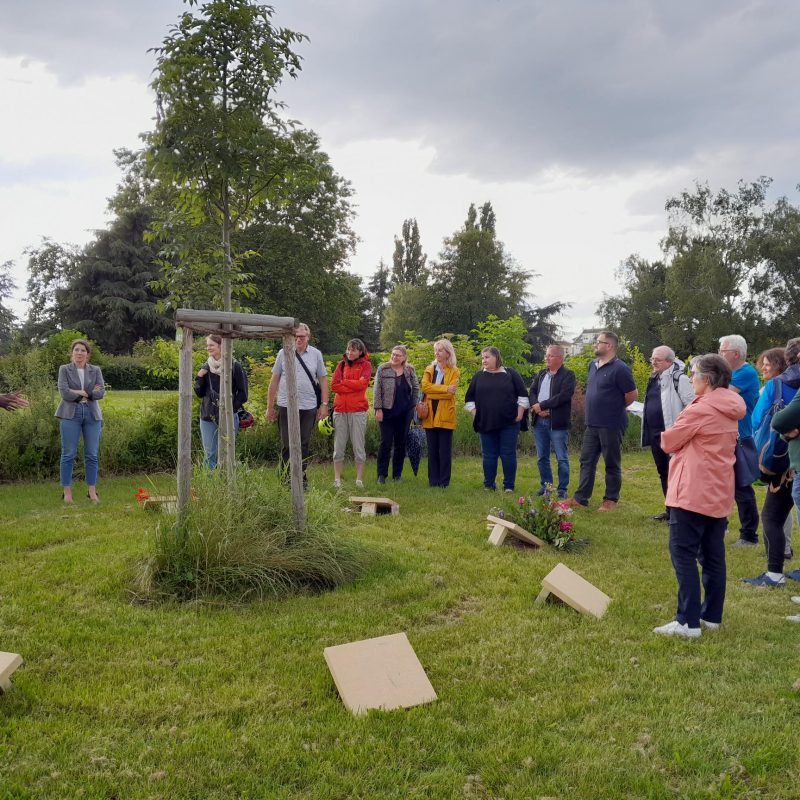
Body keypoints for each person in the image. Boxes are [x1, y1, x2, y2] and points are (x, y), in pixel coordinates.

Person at [653, 354, 745, 638]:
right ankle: (711, 616)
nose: (691, 379)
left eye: (693, 374)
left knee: (683, 553)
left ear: (706, 379)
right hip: (718, 489)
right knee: (713, 554)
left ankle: (687, 622)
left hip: (692, 490)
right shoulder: (732, 406)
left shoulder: (701, 409)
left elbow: (670, 440)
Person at [742, 341, 800, 585]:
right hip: (793, 460)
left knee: (772, 516)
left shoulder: (776, 386)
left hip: (780, 460)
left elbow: (759, 421)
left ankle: (774, 573)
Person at [566, 331, 638, 512]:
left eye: (599, 342)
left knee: (611, 462)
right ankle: (581, 498)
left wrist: (614, 408)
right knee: (586, 461)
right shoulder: (593, 365)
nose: (595, 345)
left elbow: (632, 394)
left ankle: (610, 499)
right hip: (593, 423)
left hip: (611, 423)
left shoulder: (620, 368)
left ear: (610, 346)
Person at [267, 323, 329, 489]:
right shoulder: (283, 352)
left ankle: (301, 479)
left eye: (302, 336)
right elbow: (274, 380)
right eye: (296, 336)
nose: (298, 339)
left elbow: (323, 380)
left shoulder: (316, 354)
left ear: (308, 337)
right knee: (287, 444)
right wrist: (269, 407)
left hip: (308, 406)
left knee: (303, 444)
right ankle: (287, 480)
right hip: (285, 405)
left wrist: (324, 405)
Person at [464, 346, 529, 492]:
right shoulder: (478, 376)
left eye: (487, 357)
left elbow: (523, 395)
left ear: (496, 357)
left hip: (509, 423)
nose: (484, 360)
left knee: (508, 454)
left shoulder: (511, 374)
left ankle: (509, 486)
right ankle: (489, 485)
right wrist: (476, 413)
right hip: (485, 423)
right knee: (489, 455)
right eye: (482, 357)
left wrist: (519, 414)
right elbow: (469, 399)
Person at [641, 346, 694, 521]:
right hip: (656, 435)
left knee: (676, 475)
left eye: (658, 360)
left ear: (670, 362)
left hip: (673, 436)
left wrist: (680, 430)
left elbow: (692, 406)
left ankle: (680, 513)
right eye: (652, 359)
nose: (653, 362)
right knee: (663, 472)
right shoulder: (654, 378)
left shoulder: (681, 379)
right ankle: (670, 510)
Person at [718, 334, 761, 547]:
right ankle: (720, 525)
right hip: (726, 436)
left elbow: (720, 396)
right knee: (722, 484)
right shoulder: (731, 373)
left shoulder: (745, 373)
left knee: (741, 487)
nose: (719, 354)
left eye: (722, 351)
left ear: (735, 354)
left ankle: (749, 535)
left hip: (739, 437)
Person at [55, 338, 105, 504]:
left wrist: (79, 391)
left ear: (88, 354)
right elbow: (64, 393)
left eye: (83, 350)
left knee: (92, 455)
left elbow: (100, 392)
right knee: (68, 454)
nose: (79, 353)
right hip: (71, 414)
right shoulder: (64, 369)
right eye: (76, 350)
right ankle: (67, 492)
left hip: (92, 415)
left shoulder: (95, 370)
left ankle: (92, 491)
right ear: (72, 353)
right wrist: (87, 392)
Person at [194, 334, 248, 470]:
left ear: (221, 345)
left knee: (226, 453)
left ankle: (226, 485)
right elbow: (199, 393)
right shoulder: (206, 366)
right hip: (207, 416)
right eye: (207, 345)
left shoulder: (235, 366)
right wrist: (200, 377)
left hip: (228, 416)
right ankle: (211, 487)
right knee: (209, 455)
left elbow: (243, 394)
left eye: (211, 345)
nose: (208, 348)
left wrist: (229, 409)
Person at [529, 344, 576, 498]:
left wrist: (542, 405)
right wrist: (537, 408)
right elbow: (532, 392)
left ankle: (562, 490)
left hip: (557, 423)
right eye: (546, 355)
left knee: (561, 458)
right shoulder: (542, 374)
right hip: (539, 422)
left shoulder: (568, 375)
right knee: (542, 457)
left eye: (550, 355)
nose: (546, 358)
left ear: (560, 358)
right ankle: (546, 488)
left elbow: (563, 396)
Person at [373, 345, 419, 484]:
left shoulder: (410, 370)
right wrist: (378, 408)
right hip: (386, 413)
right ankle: (381, 475)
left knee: (400, 444)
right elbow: (376, 390)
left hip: (405, 413)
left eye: (398, 355)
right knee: (385, 443)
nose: (394, 357)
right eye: (393, 354)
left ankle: (397, 475)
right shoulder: (383, 368)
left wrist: (413, 404)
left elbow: (416, 387)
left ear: (404, 358)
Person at [331, 338, 372, 489]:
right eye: (348, 349)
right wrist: (352, 385)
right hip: (340, 410)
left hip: (358, 411)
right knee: (338, 446)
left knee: (358, 446)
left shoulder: (366, 365)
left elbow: (363, 384)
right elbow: (334, 386)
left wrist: (345, 382)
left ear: (360, 351)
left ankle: (359, 480)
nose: (349, 352)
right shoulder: (341, 365)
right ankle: (337, 479)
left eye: (353, 350)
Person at [420, 339, 461, 488]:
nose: (437, 353)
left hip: (446, 415)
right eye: (436, 350)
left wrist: (434, 391)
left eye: (440, 350)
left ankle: (444, 482)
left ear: (448, 353)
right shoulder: (429, 369)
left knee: (444, 451)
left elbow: (451, 394)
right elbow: (425, 388)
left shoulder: (454, 370)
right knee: (432, 450)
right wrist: (443, 389)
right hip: (430, 413)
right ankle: (433, 481)